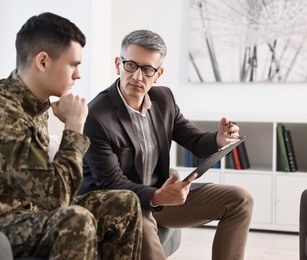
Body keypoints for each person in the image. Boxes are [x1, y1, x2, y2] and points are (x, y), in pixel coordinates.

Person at [0, 12, 142, 260]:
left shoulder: (37, 105)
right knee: (75, 221)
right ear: (43, 61)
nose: (78, 75)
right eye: (73, 65)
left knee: (125, 203)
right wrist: (74, 127)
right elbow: (57, 198)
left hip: (27, 212)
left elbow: (48, 193)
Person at [79, 29, 254, 260]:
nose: (137, 77)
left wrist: (218, 139)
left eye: (147, 69)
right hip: (118, 202)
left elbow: (194, 139)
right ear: (117, 64)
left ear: (158, 74)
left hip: (161, 196)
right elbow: (112, 182)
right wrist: (158, 196)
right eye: (130, 65)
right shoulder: (96, 115)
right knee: (137, 214)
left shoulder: (164, 100)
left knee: (240, 200)